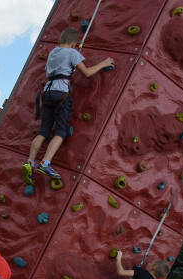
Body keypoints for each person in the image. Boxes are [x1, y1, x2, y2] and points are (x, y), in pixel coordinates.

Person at [21, 28, 114, 183]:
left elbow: (49, 70)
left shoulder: (53, 53)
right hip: (62, 92)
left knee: (44, 130)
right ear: (74, 44)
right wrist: (103, 63)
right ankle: (45, 163)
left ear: (59, 40)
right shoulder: (73, 53)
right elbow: (87, 73)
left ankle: (29, 162)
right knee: (61, 131)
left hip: (47, 92)